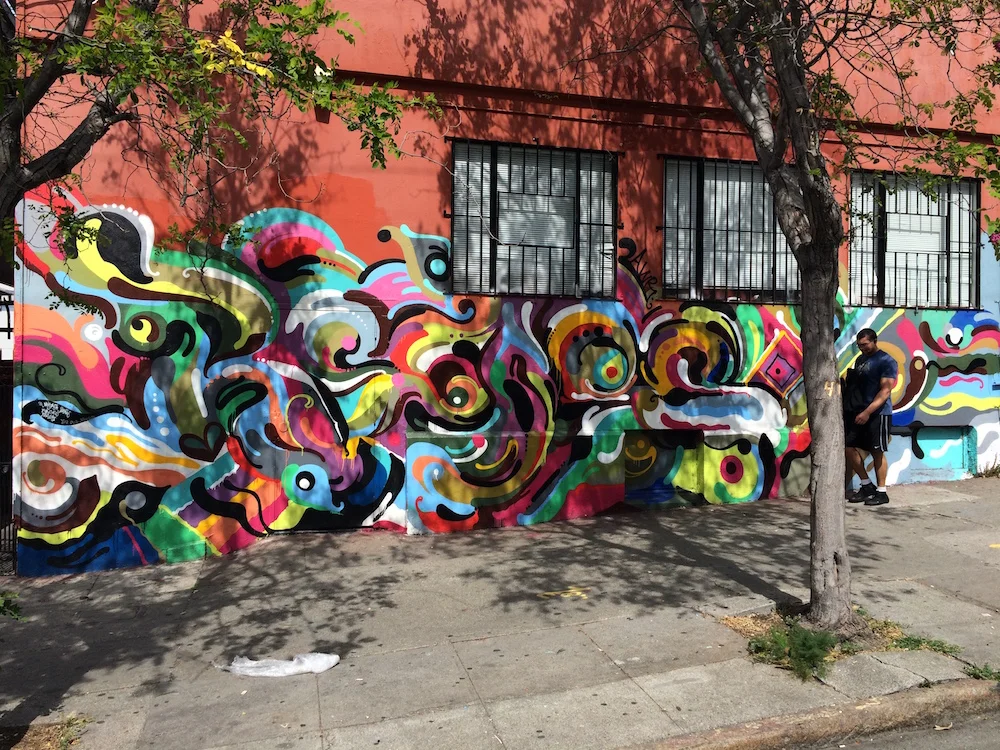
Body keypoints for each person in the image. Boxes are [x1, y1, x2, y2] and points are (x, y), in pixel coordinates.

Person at [843, 328, 898, 506]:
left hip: (878, 414)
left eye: (865, 345)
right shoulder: (860, 360)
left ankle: (882, 492)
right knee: (848, 447)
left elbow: (885, 391)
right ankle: (866, 485)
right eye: (859, 345)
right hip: (858, 412)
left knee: (877, 451)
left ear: (875, 341)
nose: (862, 348)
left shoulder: (886, 361)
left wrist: (868, 412)